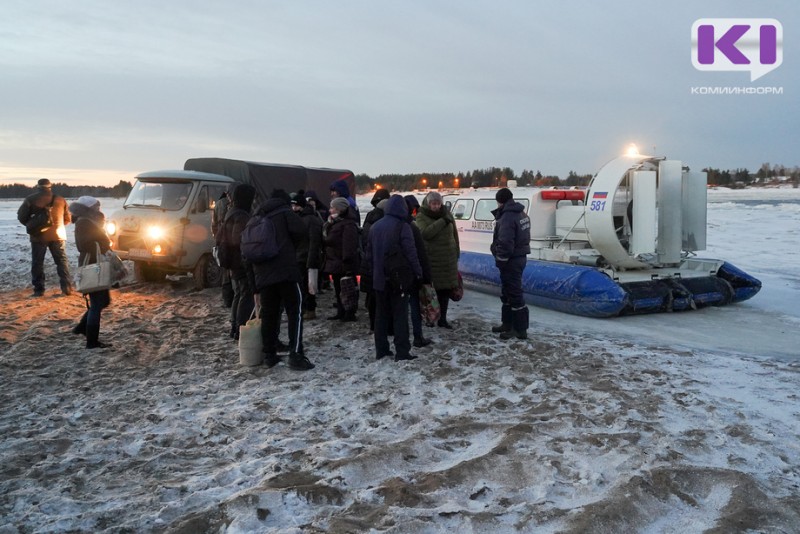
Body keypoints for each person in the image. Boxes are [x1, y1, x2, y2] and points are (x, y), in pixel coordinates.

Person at [246, 189, 313, 370]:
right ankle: (296, 354)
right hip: (286, 272)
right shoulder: (285, 213)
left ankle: (269, 354)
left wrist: (254, 285)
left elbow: (247, 251)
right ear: (284, 201)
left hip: (263, 275)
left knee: (269, 314)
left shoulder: (256, 216)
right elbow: (301, 232)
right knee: (295, 311)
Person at [364, 194, 422, 362]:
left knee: (381, 315)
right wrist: (418, 273)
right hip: (398, 280)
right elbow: (412, 253)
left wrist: (374, 273)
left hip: (379, 280)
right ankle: (402, 351)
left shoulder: (375, 227)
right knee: (400, 315)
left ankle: (381, 350)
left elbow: (369, 256)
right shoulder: (403, 227)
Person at [68, 196, 112, 349]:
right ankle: (91, 341)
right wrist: (102, 245)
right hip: (92, 265)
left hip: (96, 263)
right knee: (97, 304)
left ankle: (82, 327)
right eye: (96, 207)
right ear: (89, 209)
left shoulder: (89, 221)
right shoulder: (83, 222)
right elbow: (83, 244)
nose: (99, 209)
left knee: (103, 301)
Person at [17, 178, 73, 297]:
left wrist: (34, 225)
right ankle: (66, 287)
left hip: (38, 236)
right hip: (58, 235)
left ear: (38, 187)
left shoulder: (30, 199)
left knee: (38, 263)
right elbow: (68, 219)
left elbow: (22, 217)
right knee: (61, 261)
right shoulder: (60, 199)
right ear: (50, 187)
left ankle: (39, 290)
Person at [413, 191, 460, 329]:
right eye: (433, 203)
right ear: (428, 203)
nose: (436, 206)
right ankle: (431, 317)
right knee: (432, 292)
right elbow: (425, 233)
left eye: (438, 203)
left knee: (445, 291)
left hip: (448, 260)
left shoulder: (448, 215)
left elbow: (454, 234)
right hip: (432, 260)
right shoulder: (421, 216)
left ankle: (443, 319)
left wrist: (457, 251)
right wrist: (442, 221)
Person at [490, 188, 531, 340]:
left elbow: (506, 242)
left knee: (514, 293)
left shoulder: (507, 217)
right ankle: (507, 323)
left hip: (511, 261)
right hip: (519, 258)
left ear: (500, 201)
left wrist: (500, 260)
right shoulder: (521, 213)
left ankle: (520, 329)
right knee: (507, 292)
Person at [224, 184, 256, 340]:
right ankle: (240, 328)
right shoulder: (241, 215)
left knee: (239, 293)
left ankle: (234, 327)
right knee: (246, 294)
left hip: (233, 261)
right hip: (240, 262)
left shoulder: (232, 211)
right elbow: (237, 239)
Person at [323, 196, 361, 322]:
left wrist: (347, 264)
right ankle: (341, 311)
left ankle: (349, 313)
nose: (330, 210)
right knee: (339, 290)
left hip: (343, 263)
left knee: (346, 289)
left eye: (332, 207)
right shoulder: (334, 223)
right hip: (335, 262)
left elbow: (348, 246)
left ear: (339, 209)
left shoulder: (348, 225)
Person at [360, 188, 391, 331]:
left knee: (372, 297)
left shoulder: (369, 216)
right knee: (385, 297)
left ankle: (374, 325)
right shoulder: (389, 218)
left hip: (369, 262)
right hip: (384, 263)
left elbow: (364, 239)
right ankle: (385, 326)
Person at [405, 197, 434, 348]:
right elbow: (421, 255)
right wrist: (426, 277)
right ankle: (418, 336)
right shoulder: (412, 227)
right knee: (415, 305)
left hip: (394, 275)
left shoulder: (389, 225)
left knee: (400, 307)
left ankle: (400, 337)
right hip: (412, 275)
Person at [291, 191, 323, 320]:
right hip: (299, 256)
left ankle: (310, 309)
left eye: (296, 206)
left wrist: (311, 261)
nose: (293, 209)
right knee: (302, 285)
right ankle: (304, 308)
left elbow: (314, 241)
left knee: (309, 286)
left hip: (307, 258)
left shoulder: (311, 220)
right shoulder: (299, 218)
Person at [212, 183, 237, 308]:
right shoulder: (237, 205)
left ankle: (227, 301)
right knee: (234, 273)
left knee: (225, 273)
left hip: (222, 242)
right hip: (234, 242)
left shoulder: (219, 204)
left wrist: (218, 238)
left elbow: (214, 224)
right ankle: (232, 299)